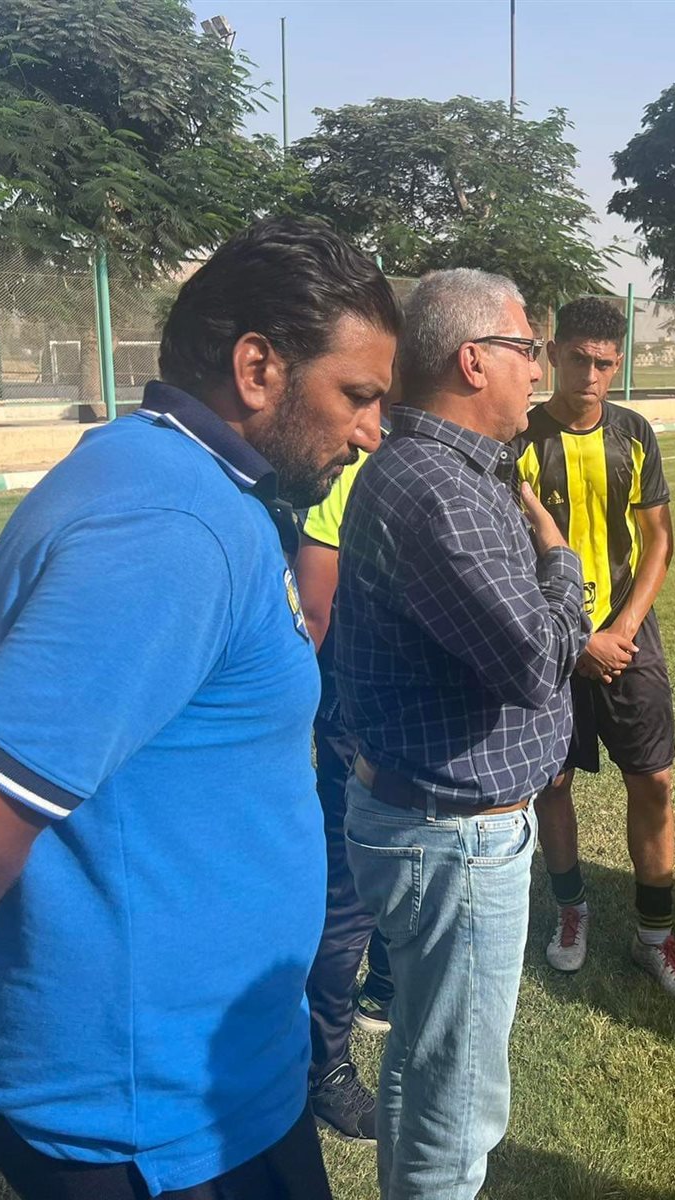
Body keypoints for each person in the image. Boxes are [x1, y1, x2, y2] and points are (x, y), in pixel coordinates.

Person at [0, 218, 399, 1199]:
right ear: (258, 368)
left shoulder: (172, 482)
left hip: (214, 1083)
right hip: (147, 1113)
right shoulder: (171, 525)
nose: (371, 431)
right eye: (357, 395)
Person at [335, 268, 589, 1199]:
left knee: (426, 1058)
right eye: (529, 349)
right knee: (459, 1100)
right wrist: (560, 560)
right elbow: (535, 660)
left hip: (430, 822)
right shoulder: (440, 489)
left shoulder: (441, 472)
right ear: (473, 360)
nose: (540, 369)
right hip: (453, 840)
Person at [508, 297, 675, 1000]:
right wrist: (578, 636)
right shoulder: (521, 436)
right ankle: (572, 910)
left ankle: (656, 934)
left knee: (653, 780)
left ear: (618, 363)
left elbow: (659, 540)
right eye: (579, 359)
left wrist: (621, 629)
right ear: (553, 353)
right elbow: (510, 547)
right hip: (549, 634)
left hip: (628, 635)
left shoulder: (635, 432)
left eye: (605, 363)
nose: (590, 375)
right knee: (552, 783)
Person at [299, 426, 393, 1143]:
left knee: (410, 865)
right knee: (350, 892)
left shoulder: (465, 461)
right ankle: (323, 1068)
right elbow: (316, 608)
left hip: (426, 721)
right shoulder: (353, 468)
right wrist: (336, 715)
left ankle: (386, 988)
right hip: (360, 721)